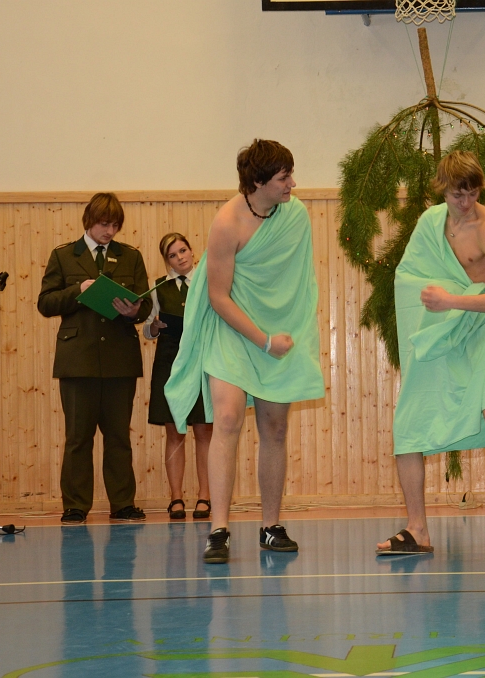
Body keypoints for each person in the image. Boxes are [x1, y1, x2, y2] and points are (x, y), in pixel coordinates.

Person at [375, 150, 485, 560]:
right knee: (408, 427)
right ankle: (417, 530)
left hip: (484, 330)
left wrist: (452, 300)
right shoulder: (430, 223)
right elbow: (408, 281)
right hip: (445, 331)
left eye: (473, 194)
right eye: (458, 195)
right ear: (443, 190)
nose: (466, 203)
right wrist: (442, 311)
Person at [164, 139, 324, 564]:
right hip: (234, 329)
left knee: (275, 428)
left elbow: (295, 285)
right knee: (227, 419)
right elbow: (218, 297)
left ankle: (271, 527)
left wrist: (282, 337)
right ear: (258, 182)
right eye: (284, 177)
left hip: (275, 331)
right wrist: (262, 339)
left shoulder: (296, 216)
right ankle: (218, 530)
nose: (293, 183)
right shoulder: (227, 222)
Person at [37, 192, 151, 524]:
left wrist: (134, 312)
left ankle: (123, 503)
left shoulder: (130, 257)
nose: (109, 231)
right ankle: (75, 505)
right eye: (104, 224)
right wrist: (79, 290)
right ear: (89, 220)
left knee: (119, 436)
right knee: (78, 438)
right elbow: (46, 303)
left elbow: (144, 304)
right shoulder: (63, 256)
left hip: (119, 359)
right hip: (78, 360)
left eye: (115, 226)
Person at [142, 233, 213, 520]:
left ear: (192, 251)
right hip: (169, 362)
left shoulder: (208, 281)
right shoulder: (158, 287)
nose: (180, 257)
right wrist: (155, 327)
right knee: (174, 431)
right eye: (173, 255)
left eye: (183, 250)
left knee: (204, 430)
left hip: (201, 361)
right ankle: (176, 499)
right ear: (167, 261)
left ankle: (205, 496)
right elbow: (147, 329)